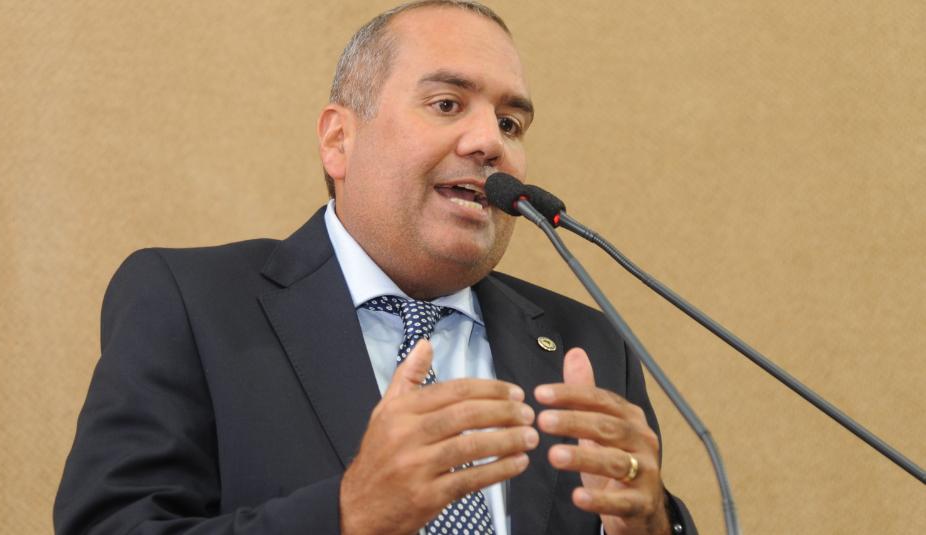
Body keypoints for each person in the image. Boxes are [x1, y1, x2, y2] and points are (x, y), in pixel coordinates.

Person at [55, 2, 696, 534]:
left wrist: (651, 526)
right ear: (339, 140)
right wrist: (349, 514)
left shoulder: (589, 344)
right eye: (447, 104)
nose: (490, 143)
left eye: (510, 122)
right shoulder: (191, 304)